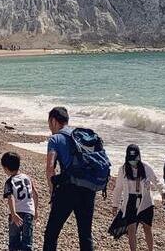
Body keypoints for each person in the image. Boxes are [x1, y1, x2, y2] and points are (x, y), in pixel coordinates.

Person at [44, 106, 95, 251]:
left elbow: (50, 167)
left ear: (53, 121)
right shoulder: (81, 136)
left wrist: (52, 191)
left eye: (49, 123)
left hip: (68, 189)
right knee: (85, 235)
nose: (49, 127)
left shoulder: (55, 139)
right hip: (89, 189)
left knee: (51, 234)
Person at [111, 144, 161, 251]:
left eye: (135, 159)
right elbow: (118, 188)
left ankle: (150, 249)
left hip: (145, 201)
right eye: (130, 159)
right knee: (131, 229)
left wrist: (163, 193)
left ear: (139, 157)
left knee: (147, 227)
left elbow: (156, 181)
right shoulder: (123, 169)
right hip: (130, 201)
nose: (132, 162)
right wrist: (115, 205)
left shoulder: (146, 167)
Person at [2, 151, 39, 251]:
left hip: (16, 213)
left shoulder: (9, 182)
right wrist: (35, 210)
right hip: (28, 213)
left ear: (6, 168)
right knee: (27, 242)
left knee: (14, 241)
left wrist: (13, 213)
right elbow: (35, 194)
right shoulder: (27, 178)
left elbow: (11, 197)